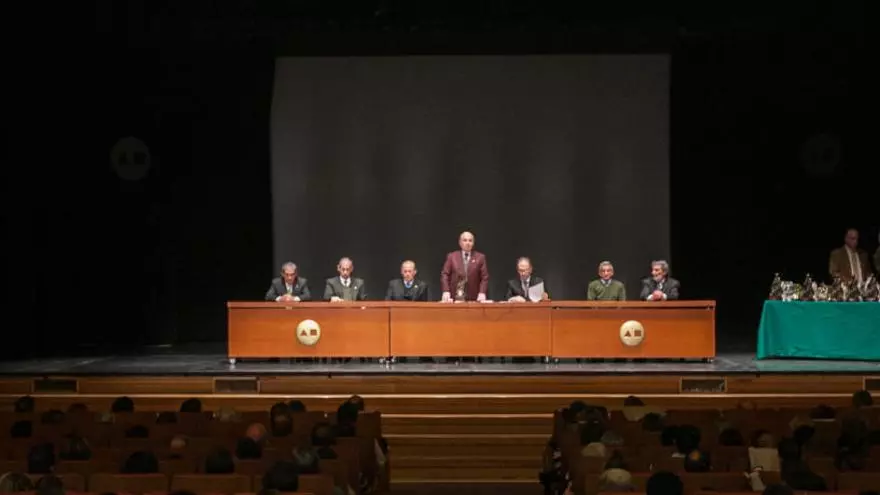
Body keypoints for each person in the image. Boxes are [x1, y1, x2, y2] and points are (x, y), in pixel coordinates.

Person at [441, 231, 489, 302]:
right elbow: (445, 274)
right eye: (465, 240)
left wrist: (482, 292)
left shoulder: (480, 257)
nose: (467, 243)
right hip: (454, 297)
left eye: (470, 240)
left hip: (474, 297)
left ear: (473, 243)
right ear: (460, 242)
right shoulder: (452, 256)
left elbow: (484, 277)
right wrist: (446, 290)